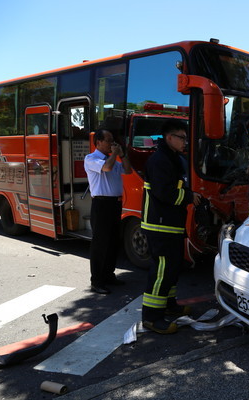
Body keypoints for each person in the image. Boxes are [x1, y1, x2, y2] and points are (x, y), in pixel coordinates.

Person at [141, 119, 202, 334]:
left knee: (172, 268)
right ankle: (151, 316)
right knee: (161, 270)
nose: (185, 141)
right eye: (182, 138)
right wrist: (189, 196)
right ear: (169, 138)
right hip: (159, 225)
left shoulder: (173, 158)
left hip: (170, 224)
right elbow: (164, 192)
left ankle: (169, 304)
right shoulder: (159, 160)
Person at [84, 128, 133, 294]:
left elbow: (128, 170)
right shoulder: (91, 158)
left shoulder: (113, 159)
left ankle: (108, 274)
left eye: (113, 141)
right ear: (98, 143)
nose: (112, 144)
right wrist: (114, 154)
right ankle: (96, 280)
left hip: (115, 204)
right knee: (100, 244)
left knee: (113, 241)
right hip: (101, 204)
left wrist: (123, 154)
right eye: (108, 140)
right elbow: (107, 168)